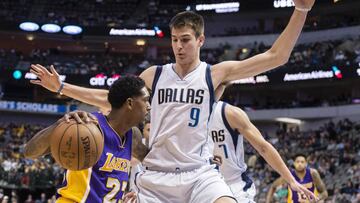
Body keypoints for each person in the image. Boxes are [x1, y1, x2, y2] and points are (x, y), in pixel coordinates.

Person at [30, 1, 316, 202]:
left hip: (199, 173)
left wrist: (301, 10)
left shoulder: (216, 74)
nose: (179, 46)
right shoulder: (154, 75)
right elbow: (112, 99)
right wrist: (63, 87)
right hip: (156, 175)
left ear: (201, 40)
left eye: (186, 40)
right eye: (175, 39)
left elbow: (276, 57)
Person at [24, 76, 150, 202]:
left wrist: (137, 192)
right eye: (146, 100)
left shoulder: (133, 136)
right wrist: (60, 125)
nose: (149, 106)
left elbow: (154, 163)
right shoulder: (87, 125)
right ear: (129, 103)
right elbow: (29, 152)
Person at [208, 100, 316, 202]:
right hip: (202, 185)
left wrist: (291, 180)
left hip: (232, 187)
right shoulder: (193, 115)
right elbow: (273, 186)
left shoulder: (229, 113)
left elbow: (263, 148)